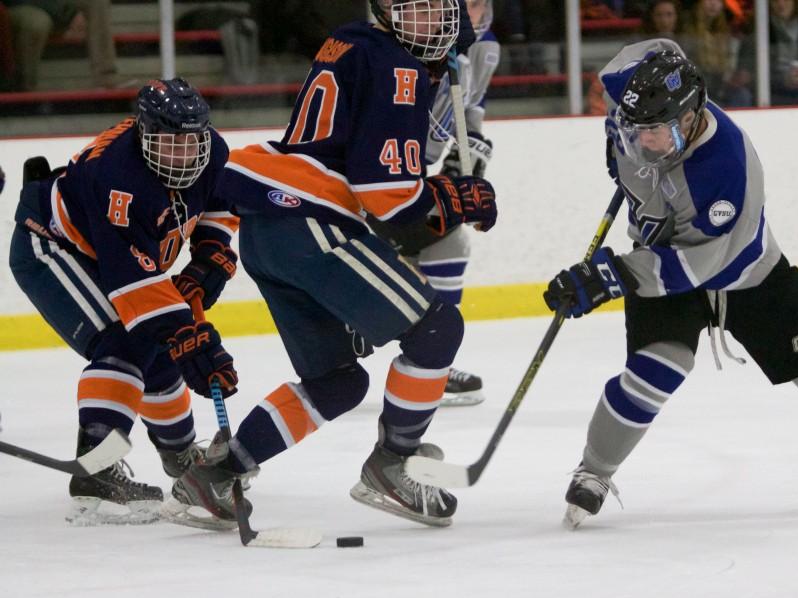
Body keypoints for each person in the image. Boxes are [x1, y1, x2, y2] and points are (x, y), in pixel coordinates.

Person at [543, 42, 798, 529]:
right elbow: (659, 52)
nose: (644, 143)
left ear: (691, 118)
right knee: (655, 373)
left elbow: (709, 263)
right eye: (636, 132)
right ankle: (594, 472)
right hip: (659, 259)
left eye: (655, 132)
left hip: (743, 272)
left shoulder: (726, 166)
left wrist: (612, 276)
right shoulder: (631, 99)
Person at [161, 0, 498, 530]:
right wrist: (454, 198)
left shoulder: (350, 40)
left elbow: (364, 169)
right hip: (312, 223)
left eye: (433, 10)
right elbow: (388, 197)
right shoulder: (400, 68)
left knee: (336, 382)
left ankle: (219, 473)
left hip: (271, 230)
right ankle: (392, 464)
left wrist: (440, 194)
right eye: (413, 11)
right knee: (437, 328)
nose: (426, 23)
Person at [7, 79, 240, 524]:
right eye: (169, 143)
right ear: (143, 133)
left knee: (159, 349)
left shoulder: (215, 152)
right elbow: (134, 287)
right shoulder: (118, 178)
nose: (182, 154)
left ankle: (181, 459)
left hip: (105, 255)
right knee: (124, 344)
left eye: (191, 142)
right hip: (52, 245)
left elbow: (220, 205)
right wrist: (194, 339)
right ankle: (95, 466)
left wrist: (209, 256)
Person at [368, 0, 499, 406]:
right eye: (467, 4)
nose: (474, 14)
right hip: (366, 182)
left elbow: (471, 110)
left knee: (449, 238)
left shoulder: (483, 49)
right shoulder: (403, 48)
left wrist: (471, 146)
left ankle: (432, 363)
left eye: (480, 5)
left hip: (407, 176)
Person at [7, 0, 117, 90]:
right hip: (20, 4)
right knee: (38, 23)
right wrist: (67, 14)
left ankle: (106, 79)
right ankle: (26, 88)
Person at [677, 0, 751, 108]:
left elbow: (729, 66)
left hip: (721, 88)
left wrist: (734, 77)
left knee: (742, 94)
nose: (713, 4)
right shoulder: (685, 31)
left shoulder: (725, 32)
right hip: (697, 89)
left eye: (718, 0)